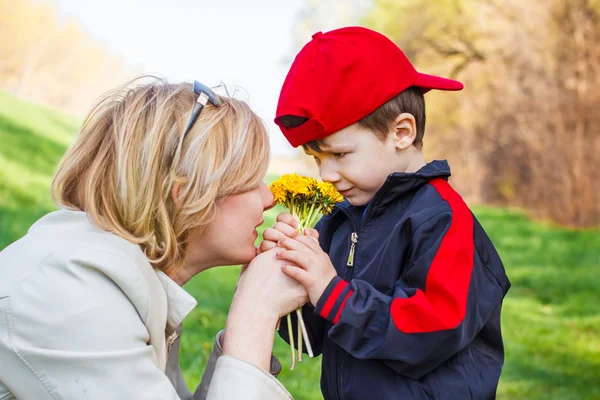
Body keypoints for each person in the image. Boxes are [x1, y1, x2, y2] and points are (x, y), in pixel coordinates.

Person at [0, 76, 305, 399]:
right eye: (252, 180)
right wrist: (254, 316)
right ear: (187, 196)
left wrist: (243, 324)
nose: (269, 198)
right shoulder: (71, 294)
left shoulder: (129, 281)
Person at [262, 26, 512, 399]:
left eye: (340, 155)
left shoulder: (441, 219)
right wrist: (292, 279)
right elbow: (315, 339)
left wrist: (330, 291)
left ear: (402, 132)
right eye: (317, 158)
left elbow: (430, 334)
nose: (326, 175)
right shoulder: (339, 219)